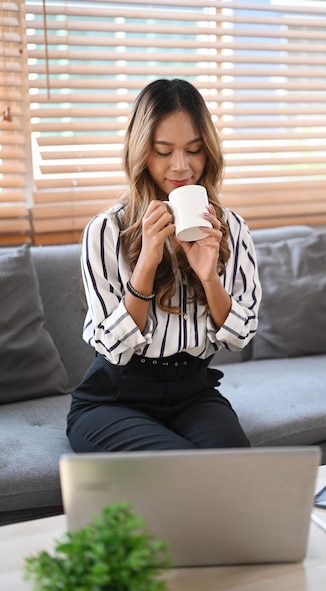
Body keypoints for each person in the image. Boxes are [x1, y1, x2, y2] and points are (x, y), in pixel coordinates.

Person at [66, 78, 262, 452]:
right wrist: (147, 261)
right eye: (163, 151)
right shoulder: (107, 230)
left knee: (236, 470)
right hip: (113, 398)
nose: (181, 166)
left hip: (194, 393)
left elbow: (240, 336)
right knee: (182, 471)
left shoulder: (231, 228)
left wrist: (209, 278)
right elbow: (115, 348)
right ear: (141, 152)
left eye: (194, 149)